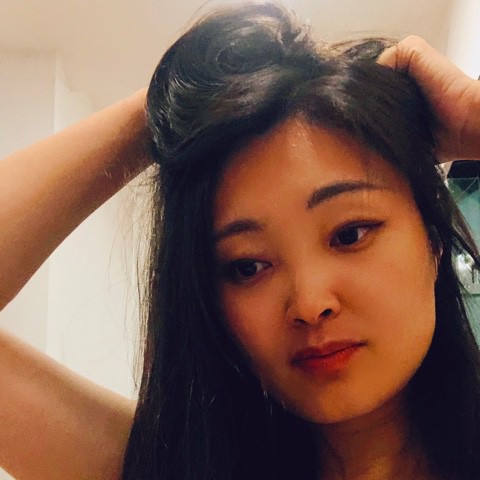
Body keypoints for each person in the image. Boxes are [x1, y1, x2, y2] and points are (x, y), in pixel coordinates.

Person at [1, 3, 480, 480]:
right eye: (248, 267)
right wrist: (171, 109)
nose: (310, 304)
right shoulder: (168, 469)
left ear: (433, 240)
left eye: (348, 235)